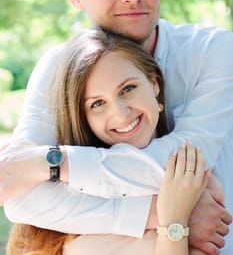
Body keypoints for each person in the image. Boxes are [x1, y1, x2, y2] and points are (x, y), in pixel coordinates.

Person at [1, 0, 233, 254]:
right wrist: (161, 214)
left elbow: (182, 164)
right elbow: (19, 196)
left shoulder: (214, 51)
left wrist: (53, 163)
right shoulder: (55, 70)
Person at [6, 29, 209, 255]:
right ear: (84, 119)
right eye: (97, 104)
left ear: (154, 84)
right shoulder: (67, 217)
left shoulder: (192, 176)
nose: (121, 114)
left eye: (128, 89)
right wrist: (172, 221)